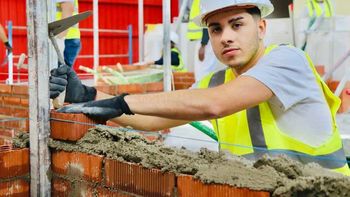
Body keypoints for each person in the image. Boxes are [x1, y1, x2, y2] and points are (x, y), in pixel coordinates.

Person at [50, 0, 350, 175]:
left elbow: (214, 104)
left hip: (319, 189)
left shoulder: (288, 60)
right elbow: (153, 120)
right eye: (216, 29)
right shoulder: (216, 80)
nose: (226, 37)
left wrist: (123, 101)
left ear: (261, 28)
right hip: (258, 188)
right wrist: (90, 96)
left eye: (237, 24)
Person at [187, 0, 225, 81]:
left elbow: (207, 21)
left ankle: (202, 91)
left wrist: (203, 45)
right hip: (205, 40)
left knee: (202, 71)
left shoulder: (202, 1)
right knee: (204, 71)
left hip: (205, 41)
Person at [56, 0, 81, 67]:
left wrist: (60, 39)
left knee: (61, 73)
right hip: (65, 38)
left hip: (65, 39)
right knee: (60, 73)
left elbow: (67, 16)